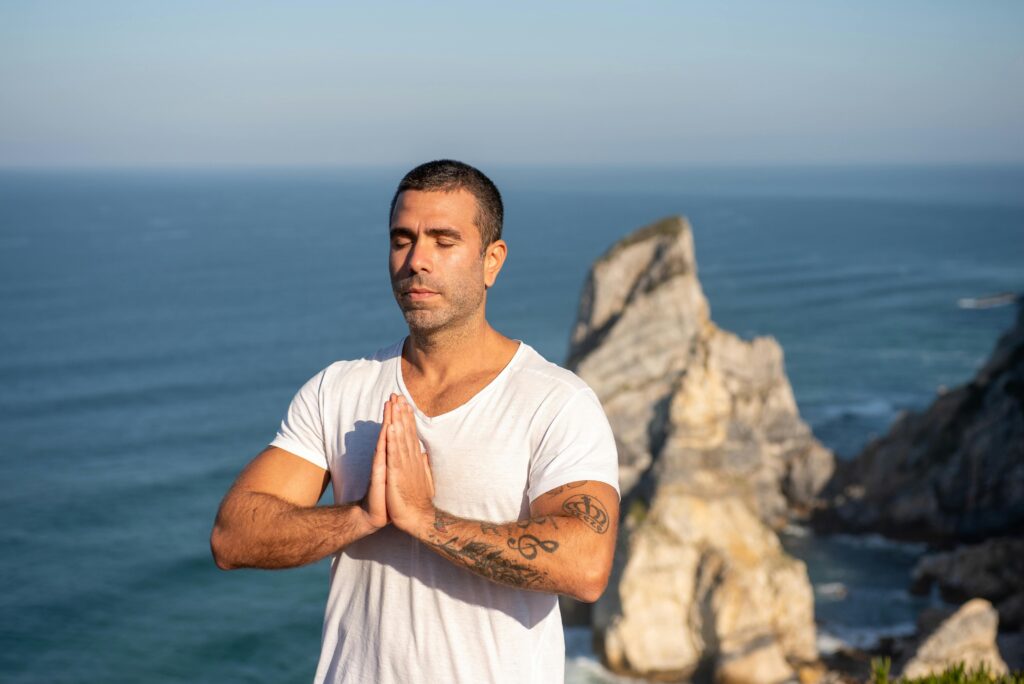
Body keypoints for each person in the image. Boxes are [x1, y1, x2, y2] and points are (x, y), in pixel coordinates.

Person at [210, 159, 620, 683]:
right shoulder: (340, 389)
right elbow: (232, 535)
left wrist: (426, 521)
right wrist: (361, 517)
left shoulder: (555, 401)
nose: (416, 260)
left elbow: (587, 566)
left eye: (443, 241)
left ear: (492, 261)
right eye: (402, 239)